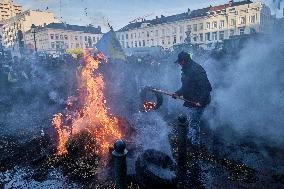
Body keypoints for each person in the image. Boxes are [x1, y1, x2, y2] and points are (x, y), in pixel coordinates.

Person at [173, 51, 212, 149]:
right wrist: (177, 93)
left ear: (183, 61)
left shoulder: (197, 69)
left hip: (198, 101)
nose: (179, 64)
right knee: (191, 121)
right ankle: (191, 138)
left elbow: (207, 87)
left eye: (179, 62)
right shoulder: (186, 69)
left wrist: (201, 101)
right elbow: (186, 87)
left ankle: (194, 144)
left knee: (193, 123)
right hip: (191, 100)